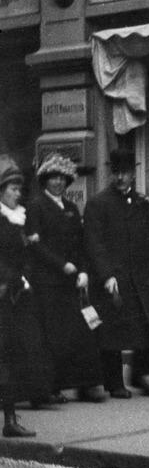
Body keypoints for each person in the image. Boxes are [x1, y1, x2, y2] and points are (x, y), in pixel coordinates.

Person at [25, 152, 106, 403]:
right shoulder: (36, 206)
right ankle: (51, 388)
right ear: (45, 180)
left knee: (80, 332)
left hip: (71, 283)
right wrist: (63, 266)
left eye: (62, 178)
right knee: (52, 336)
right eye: (53, 178)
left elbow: (80, 244)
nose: (58, 182)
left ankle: (84, 385)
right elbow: (36, 246)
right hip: (47, 283)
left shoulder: (71, 208)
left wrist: (82, 270)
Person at [84, 149, 149, 398]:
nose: (120, 178)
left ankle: (139, 376)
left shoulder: (141, 203)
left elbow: (147, 243)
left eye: (125, 173)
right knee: (111, 333)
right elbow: (94, 244)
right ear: (111, 173)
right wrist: (106, 275)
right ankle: (114, 383)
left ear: (133, 173)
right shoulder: (97, 203)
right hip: (112, 279)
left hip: (139, 278)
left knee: (144, 326)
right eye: (116, 173)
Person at [0, 159, 51, 437]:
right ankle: (9, 421)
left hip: (17, 298)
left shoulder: (17, 218)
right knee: (6, 357)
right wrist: (12, 277)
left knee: (14, 356)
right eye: (12, 189)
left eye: (19, 188)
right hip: (5, 297)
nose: (17, 193)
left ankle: (10, 418)